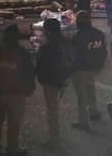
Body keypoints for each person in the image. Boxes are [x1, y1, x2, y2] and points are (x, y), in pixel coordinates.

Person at [0, 25, 35, 156]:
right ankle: (12, 148)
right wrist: (28, 90)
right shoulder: (22, 53)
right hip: (16, 95)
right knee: (14, 123)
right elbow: (29, 74)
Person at [35, 18, 72, 149]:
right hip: (62, 78)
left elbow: (41, 63)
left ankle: (54, 140)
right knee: (54, 109)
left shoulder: (48, 46)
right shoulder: (65, 41)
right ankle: (55, 137)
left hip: (51, 81)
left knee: (52, 111)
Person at [71, 10, 107, 132]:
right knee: (91, 89)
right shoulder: (99, 34)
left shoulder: (78, 36)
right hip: (94, 67)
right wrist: (100, 65)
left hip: (81, 68)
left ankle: (83, 122)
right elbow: (103, 51)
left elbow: (74, 55)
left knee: (81, 95)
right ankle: (94, 111)